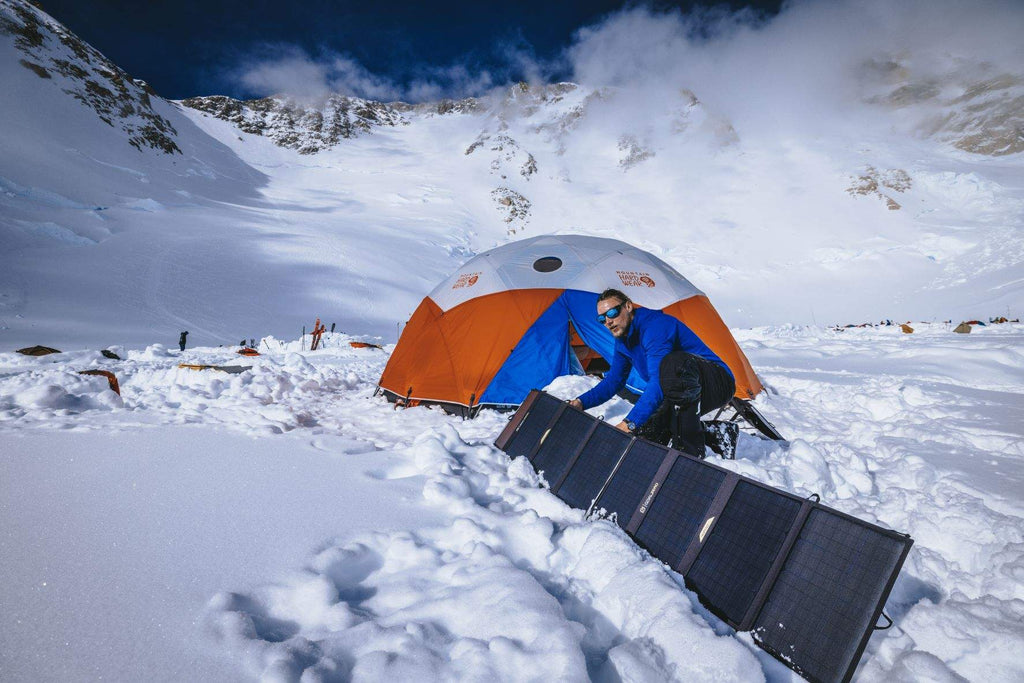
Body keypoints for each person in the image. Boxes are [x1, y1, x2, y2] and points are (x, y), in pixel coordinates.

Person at [569, 289, 736, 456]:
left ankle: (691, 454)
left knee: (673, 364)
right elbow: (614, 381)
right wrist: (581, 402)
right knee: (647, 435)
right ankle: (718, 435)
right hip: (679, 388)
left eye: (612, 312)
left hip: (717, 381)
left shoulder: (656, 326)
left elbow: (657, 379)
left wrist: (629, 423)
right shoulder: (622, 341)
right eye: (602, 318)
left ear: (628, 306)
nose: (608, 321)